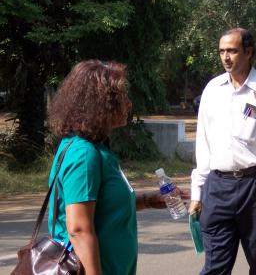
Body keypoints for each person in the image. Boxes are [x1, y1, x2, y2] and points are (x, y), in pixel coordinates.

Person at [48, 60, 181, 275]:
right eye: (121, 97)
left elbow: (104, 205)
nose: (128, 104)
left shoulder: (98, 149)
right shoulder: (83, 154)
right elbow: (79, 230)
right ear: (99, 103)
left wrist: (147, 200)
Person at [189, 28, 256, 275]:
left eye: (232, 50)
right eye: (222, 51)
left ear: (249, 52)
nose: (226, 57)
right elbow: (204, 142)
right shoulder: (213, 89)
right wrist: (197, 193)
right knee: (215, 267)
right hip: (218, 188)